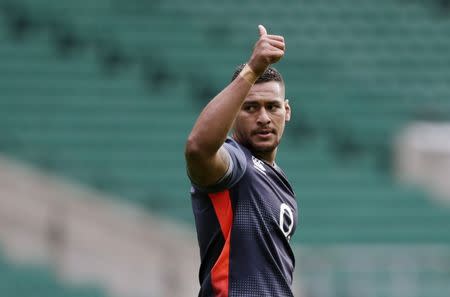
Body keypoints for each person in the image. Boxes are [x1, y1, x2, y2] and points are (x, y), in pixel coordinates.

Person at [185, 24, 298, 297]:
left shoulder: (279, 181)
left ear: (287, 111)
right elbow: (198, 148)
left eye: (271, 107)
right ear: (235, 113)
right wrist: (251, 70)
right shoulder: (235, 163)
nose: (263, 118)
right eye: (250, 107)